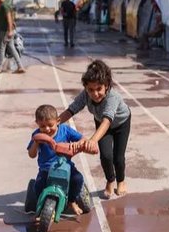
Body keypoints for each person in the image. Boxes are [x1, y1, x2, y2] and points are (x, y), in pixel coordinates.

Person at [59, 60, 131, 199]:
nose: (95, 93)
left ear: (107, 86)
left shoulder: (113, 97)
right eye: (91, 89)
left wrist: (92, 140)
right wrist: (54, 123)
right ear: (86, 87)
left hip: (120, 123)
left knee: (118, 157)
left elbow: (107, 120)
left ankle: (121, 181)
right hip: (101, 123)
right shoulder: (86, 94)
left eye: (99, 89)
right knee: (105, 156)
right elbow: (72, 109)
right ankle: (110, 180)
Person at [27, 104, 86, 215]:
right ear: (37, 124)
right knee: (38, 186)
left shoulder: (65, 130)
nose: (47, 129)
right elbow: (31, 154)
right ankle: (42, 205)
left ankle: (72, 201)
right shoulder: (37, 135)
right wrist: (35, 143)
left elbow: (82, 139)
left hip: (65, 167)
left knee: (78, 179)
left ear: (58, 121)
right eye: (43, 126)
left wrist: (77, 144)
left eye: (50, 125)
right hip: (46, 169)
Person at [0, 0, 25, 74]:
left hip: (4, 30)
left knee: (1, 48)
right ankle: (20, 66)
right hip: (8, 30)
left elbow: (8, 17)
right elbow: (11, 16)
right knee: (12, 48)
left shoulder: (3, 6)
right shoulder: (7, 4)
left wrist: (9, 30)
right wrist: (12, 25)